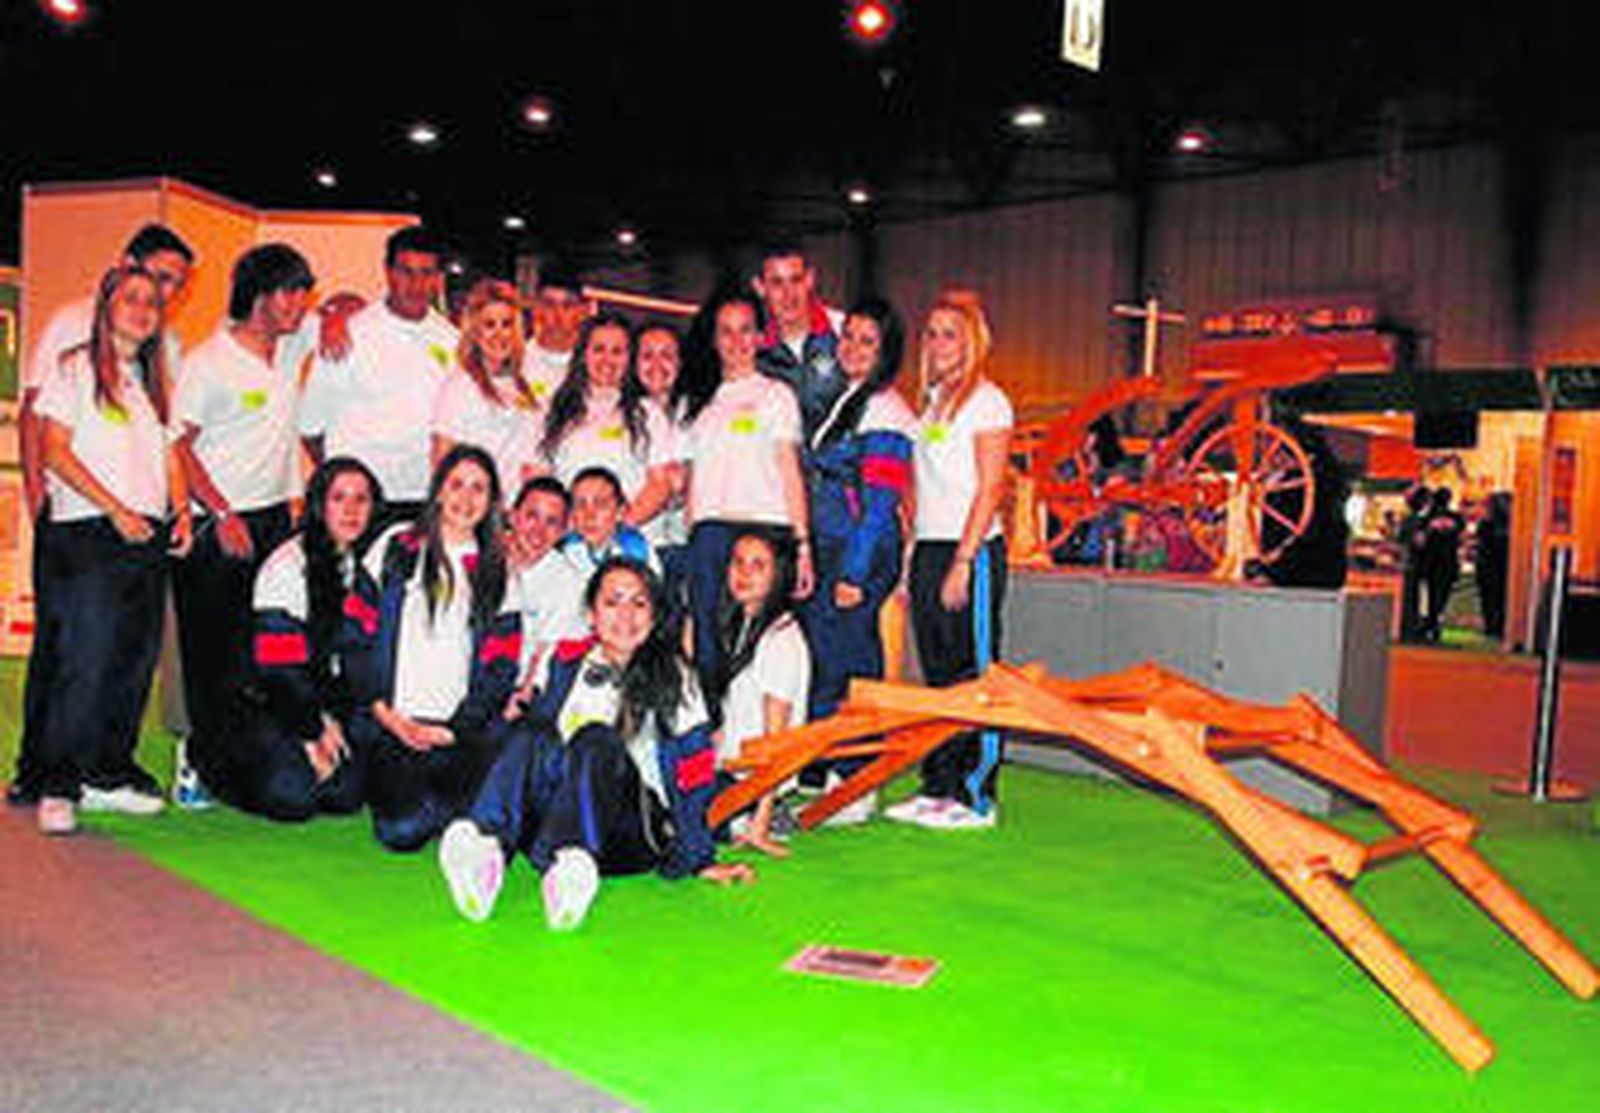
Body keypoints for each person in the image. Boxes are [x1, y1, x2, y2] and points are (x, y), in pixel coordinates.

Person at [437, 558, 754, 929]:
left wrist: (700, 856)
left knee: (596, 739)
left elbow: (695, 770)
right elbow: (531, 755)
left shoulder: (675, 675)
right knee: (531, 732)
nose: (625, 615)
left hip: (629, 835)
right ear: (591, 614)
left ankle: (575, 865)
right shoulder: (563, 661)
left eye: (638, 603)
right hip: (553, 823)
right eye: (612, 601)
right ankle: (485, 853)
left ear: (654, 615)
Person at [8, 224, 194, 808]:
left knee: (130, 660)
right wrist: (110, 510)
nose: (146, 309)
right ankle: (56, 785)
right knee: (82, 658)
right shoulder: (74, 366)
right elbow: (54, 447)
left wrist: (182, 510)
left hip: (145, 534)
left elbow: (169, 452)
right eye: (133, 298)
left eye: (155, 302)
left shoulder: (152, 380)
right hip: (89, 532)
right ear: (106, 303)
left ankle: (105, 773)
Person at [170, 244, 316, 805]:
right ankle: (196, 762)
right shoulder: (209, 361)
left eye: (305, 292)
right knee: (213, 656)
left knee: (264, 651)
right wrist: (224, 512)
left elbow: (341, 314)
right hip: (218, 523)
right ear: (260, 294)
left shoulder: (286, 349)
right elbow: (176, 445)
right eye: (291, 291)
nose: (301, 304)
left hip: (277, 518)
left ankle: (252, 764)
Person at [345, 446, 522, 851]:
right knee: (399, 832)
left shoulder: (497, 571)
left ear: (492, 501)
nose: (466, 498)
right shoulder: (397, 545)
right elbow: (355, 636)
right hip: (393, 722)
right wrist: (385, 714)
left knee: (470, 811)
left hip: (457, 731)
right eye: (456, 484)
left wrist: (454, 730)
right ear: (438, 490)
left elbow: (500, 668)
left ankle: (461, 814)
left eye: (479, 488)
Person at [884, 290, 1012, 831]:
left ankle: (977, 795)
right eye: (931, 333)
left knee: (972, 672)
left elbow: (991, 487)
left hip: (972, 548)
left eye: (949, 333)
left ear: (972, 341)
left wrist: (964, 560)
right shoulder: (932, 404)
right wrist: (914, 556)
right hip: (931, 547)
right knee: (937, 674)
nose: (938, 343)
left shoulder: (988, 401)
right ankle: (939, 785)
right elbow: (924, 489)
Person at [203, 458, 383, 819]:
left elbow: (354, 660)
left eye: (361, 500)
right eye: (338, 499)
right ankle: (203, 759)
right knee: (293, 799)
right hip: (267, 700)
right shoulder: (287, 568)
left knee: (345, 797)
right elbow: (279, 673)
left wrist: (335, 721)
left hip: (318, 700)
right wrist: (313, 730)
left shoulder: (359, 568)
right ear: (319, 505)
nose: (351, 510)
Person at [680, 284, 814, 697]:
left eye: (745, 330)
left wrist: (802, 545)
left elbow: (790, 472)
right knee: (709, 649)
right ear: (714, 339)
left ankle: (763, 752)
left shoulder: (776, 396)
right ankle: (713, 747)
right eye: (726, 331)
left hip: (765, 535)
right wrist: (692, 545)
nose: (737, 341)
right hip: (709, 538)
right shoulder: (697, 405)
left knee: (760, 654)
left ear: (760, 337)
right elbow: (692, 485)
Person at [801, 297, 916, 722]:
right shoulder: (847, 400)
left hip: (858, 549)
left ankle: (856, 764)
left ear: (885, 351)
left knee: (848, 659)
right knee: (829, 656)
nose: (851, 347)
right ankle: (830, 763)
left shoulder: (885, 409)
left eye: (867, 341)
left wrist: (854, 571)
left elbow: (880, 505)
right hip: (832, 544)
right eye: (848, 336)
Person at [300, 226, 457, 519]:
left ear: (438, 279)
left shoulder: (453, 341)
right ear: (387, 272)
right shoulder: (347, 333)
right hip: (358, 504)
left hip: (425, 498)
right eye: (406, 271)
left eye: (426, 273)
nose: (416, 284)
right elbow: (310, 427)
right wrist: (343, 480)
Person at [708, 528, 810, 856]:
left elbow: (775, 740)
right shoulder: (744, 625)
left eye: (758, 565)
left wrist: (759, 823)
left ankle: (764, 816)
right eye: (738, 562)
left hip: (752, 786)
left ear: (779, 574)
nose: (744, 573)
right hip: (733, 772)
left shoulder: (780, 639)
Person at [539, 312, 677, 536]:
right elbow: (539, 475)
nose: (607, 360)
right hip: (569, 541)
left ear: (629, 358)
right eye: (599, 349)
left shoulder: (649, 413)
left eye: (617, 351)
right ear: (583, 355)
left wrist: (617, 529)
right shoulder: (554, 411)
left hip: (630, 542)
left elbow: (660, 485)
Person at [431, 278, 545, 500]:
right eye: (489, 324)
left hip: (515, 514)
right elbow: (441, 462)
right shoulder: (460, 386)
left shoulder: (525, 384)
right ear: (475, 331)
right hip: (475, 510)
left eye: (506, 324)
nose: (499, 334)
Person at [505, 476, 588, 704]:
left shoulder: (569, 581)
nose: (538, 531)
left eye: (552, 522)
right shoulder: (482, 560)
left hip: (519, 691)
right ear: (513, 517)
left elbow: (545, 650)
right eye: (532, 516)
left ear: (563, 531)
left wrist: (522, 700)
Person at [753, 242, 844, 441]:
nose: (788, 294)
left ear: (810, 279)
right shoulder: (751, 353)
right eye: (777, 283)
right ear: (760, 287)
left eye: (796, 280)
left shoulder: (845, 333)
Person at [632, 321, 692, 558]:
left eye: (667, 355)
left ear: (680, 363)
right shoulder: (620, 412)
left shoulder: (697, 412)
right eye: (647, 356)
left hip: (683, 543)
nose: (657, 365)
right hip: (635, 539)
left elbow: (683, 481)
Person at [555, 466, 660, 582]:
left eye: (600, 505)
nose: (589, 516)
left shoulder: (637, 551)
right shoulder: (562, 551)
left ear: (620, 511)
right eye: (580, 505)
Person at [521, 265, 592, 403]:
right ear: (536, 308)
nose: (558, 315)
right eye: (549, 304)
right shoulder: (517, 364)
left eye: (568, 305)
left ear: (583, 311)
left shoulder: (594, 367)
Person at [1420, 486, 1466, 642]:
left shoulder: (1426, 518)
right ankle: (1434, 620)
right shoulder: (1457, 518)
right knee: (1441, 594)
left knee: (1432, 593)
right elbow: (1460, 535)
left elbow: (1422, 539)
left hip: (1431, 562)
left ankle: (1431, 621)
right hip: (1448, 562)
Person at [1474, 492, 1511, 640]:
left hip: (1486, 566)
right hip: (1503, 567)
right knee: (1501, 597)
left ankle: (1491, 626)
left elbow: (1481, 544)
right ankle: (1499, 626)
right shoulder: (1511, 526)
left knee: (1489, 598)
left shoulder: (1485, 525)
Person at [1397, 485, 1432, 642]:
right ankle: (1411, 627)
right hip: (1415, 563)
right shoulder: (1419, 522)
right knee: (1413, 596)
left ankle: (1408, 627)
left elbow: (1401, 540)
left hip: (1408, 562)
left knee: (1410, 596)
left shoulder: (1408, 520)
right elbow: (1419, 542)